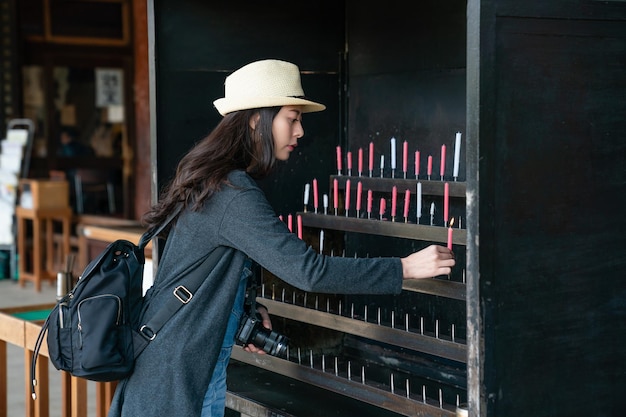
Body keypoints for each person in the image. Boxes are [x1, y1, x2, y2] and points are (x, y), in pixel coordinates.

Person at [107, 59, 455, 417]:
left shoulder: (217, 181)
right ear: (258, 119)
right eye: (292, 117)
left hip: (185, 364)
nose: (300, 130)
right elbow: (310, 271)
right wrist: (404, 267)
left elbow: (203, 266)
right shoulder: (233, 192)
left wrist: (244, 310)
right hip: (176, 375)